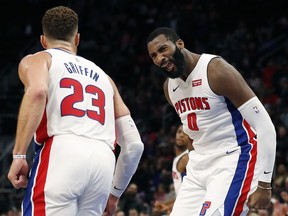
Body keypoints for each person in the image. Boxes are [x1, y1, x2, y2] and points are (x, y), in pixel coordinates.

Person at [7, 6, 144, 216]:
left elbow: (37, 92)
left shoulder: (39, 59)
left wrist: (18, 154)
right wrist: (114, 194)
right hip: (103, 160)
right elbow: (134, 145)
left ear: (43, 41)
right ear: (77, 39)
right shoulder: (106, 79)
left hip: (62, 151)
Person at [146, 27, 277, 215]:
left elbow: (265, 126)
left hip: (233, 159)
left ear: (179, 44)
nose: (159, 59)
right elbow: (193, 131)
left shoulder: (215, 70)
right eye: (153, 56)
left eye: (163, 49)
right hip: (199, 166)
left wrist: (264, 183)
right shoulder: (169, 88)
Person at [153, 124, 193, 215]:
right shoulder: (179, 158)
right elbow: (181, 192)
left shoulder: (187, 158)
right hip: (184, 205)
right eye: (179, 132)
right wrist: (167, 204)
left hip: (190, 207)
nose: (181, 135)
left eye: (185, 133)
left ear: (191, 137)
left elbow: (191, 191)